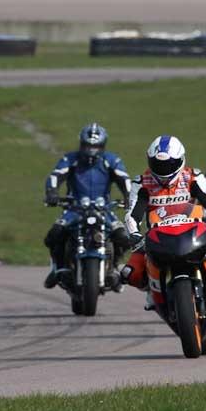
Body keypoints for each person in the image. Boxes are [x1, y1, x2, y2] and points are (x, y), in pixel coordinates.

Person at [120, 135, 206, 303]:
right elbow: (133, 214)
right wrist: (134, 234)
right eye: (158, 165)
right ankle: (151, 288)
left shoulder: (192, 176)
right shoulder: (142, 183)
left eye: (168, 165)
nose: (163, 170)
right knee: (130, 273)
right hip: (158, 236)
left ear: (180, 161)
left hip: (193, 230)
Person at [43, 123, 131, 290]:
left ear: (103, 146)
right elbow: (55, 176)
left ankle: (115, 267)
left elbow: (125, 180)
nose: (91, 151)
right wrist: (52, 193)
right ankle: (57, 268)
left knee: (123, 236)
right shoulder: (70, 159)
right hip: (74, 209)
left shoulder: (111, 160)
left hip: (104, 209)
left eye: (96, 146)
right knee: (54, 234)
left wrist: (129, 197)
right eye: (88, 146)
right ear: (81, 144)